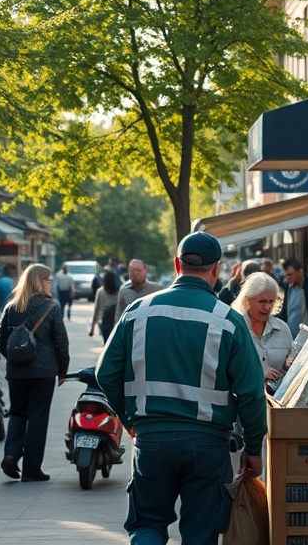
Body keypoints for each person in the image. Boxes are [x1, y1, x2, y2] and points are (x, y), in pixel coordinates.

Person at [96, 231, 267, 545]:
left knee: (147, 524)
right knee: (201, 532)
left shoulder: (138, 312)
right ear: (216, 270)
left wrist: (131, 419)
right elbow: (252, 392)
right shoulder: (228, 320)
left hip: (152, 440)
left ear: (177, 264)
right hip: (207, 444)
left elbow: (105, 374)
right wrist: (254, 448)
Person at [0, 263, 69, 482]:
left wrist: (15, 359)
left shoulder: (11, 307)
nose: (51, 283)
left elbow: (2, 341)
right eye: (48, 280)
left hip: (17, 372)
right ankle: (31, 470)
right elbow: (61, 343)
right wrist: (62, 371)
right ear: (41, 282)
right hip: (43, 371)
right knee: (38, 417)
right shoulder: (51, 307)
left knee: (18, 413)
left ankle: (11, 454)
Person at [231, 272, 293, 385]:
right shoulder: (235, 328)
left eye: (271, 301)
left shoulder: (282, 329)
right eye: (262, 301)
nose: (267, 307)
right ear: (247, 300)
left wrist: (289, 364)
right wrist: (259, 375)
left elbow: (288, 366)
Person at [89, 269, 120, 341]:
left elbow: (96, 309)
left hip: (103, 321)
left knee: (106, 342)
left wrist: (92, 328)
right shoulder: (120, 292)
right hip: (116, 322)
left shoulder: (100, 291)